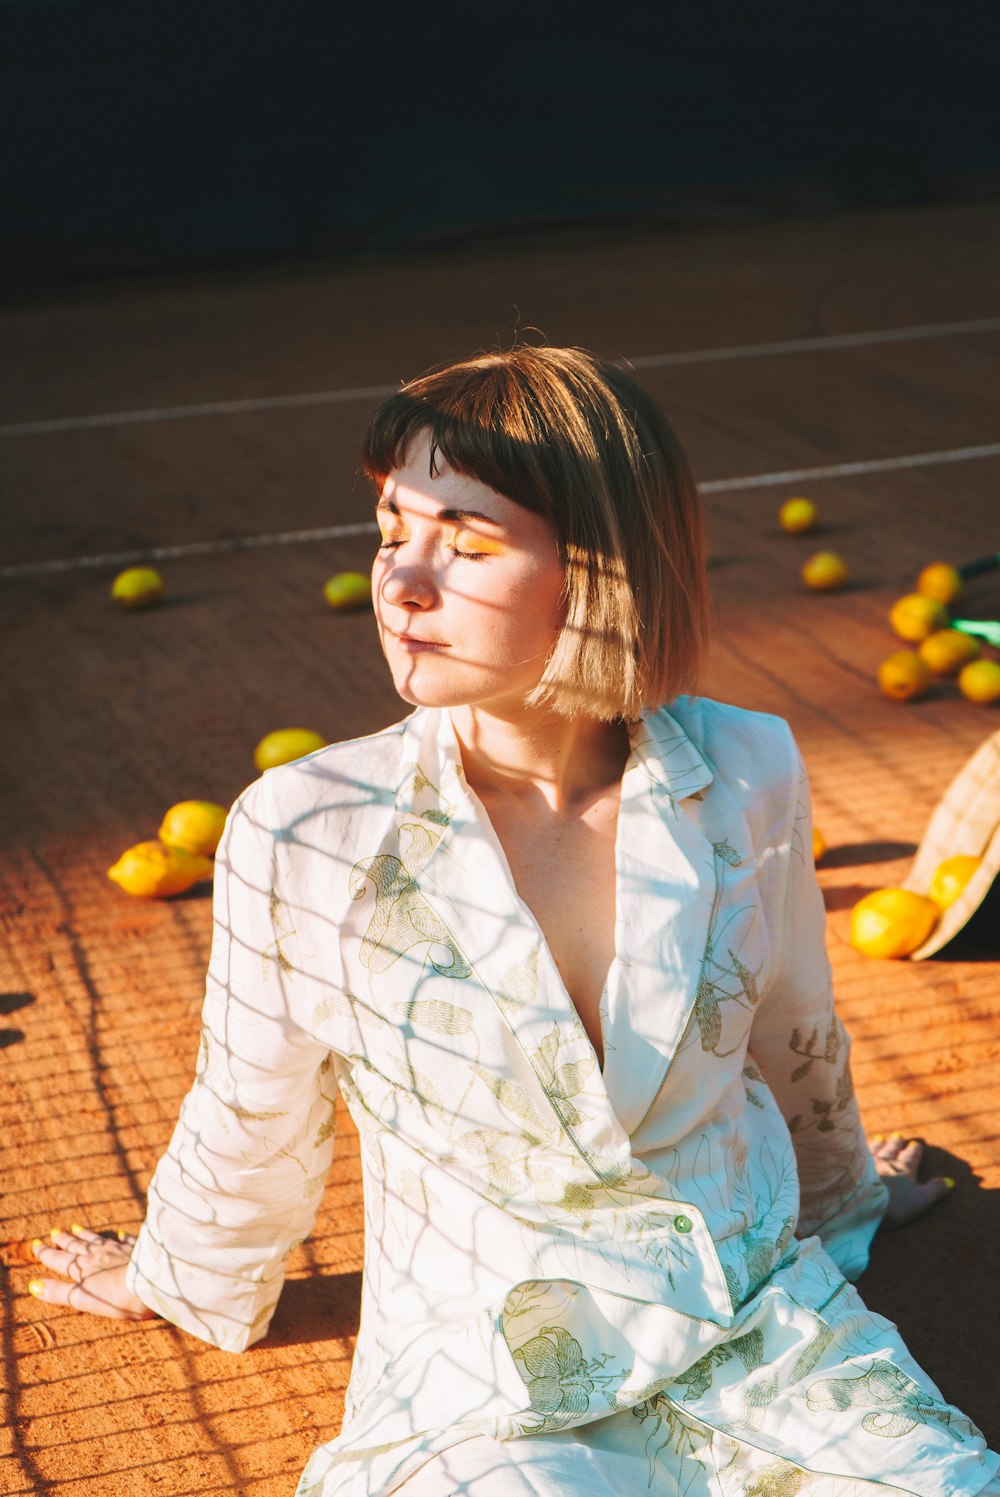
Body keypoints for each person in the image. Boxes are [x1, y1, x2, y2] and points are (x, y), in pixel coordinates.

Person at [29, 346, 998, 1496]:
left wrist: (842, 1194)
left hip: (749, 1321)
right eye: (392, 532)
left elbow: (793, 1014)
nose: (401, 581)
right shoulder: (307, 825)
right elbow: (252, 1103)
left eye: (466, 542)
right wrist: (176, 1270)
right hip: (488, 1358)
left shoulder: (747, 763)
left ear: (601, 570)